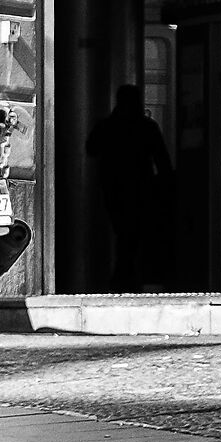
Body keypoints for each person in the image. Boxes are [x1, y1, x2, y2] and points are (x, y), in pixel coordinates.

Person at [85, 85, 172, 292]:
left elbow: (91, 148)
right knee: (133, 235)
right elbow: (163, 161)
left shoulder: (108, 125)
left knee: (124, 233)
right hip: (140, 187)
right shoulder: (147, 126)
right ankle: (126, 277)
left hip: (113, 187)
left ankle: (122, 277)